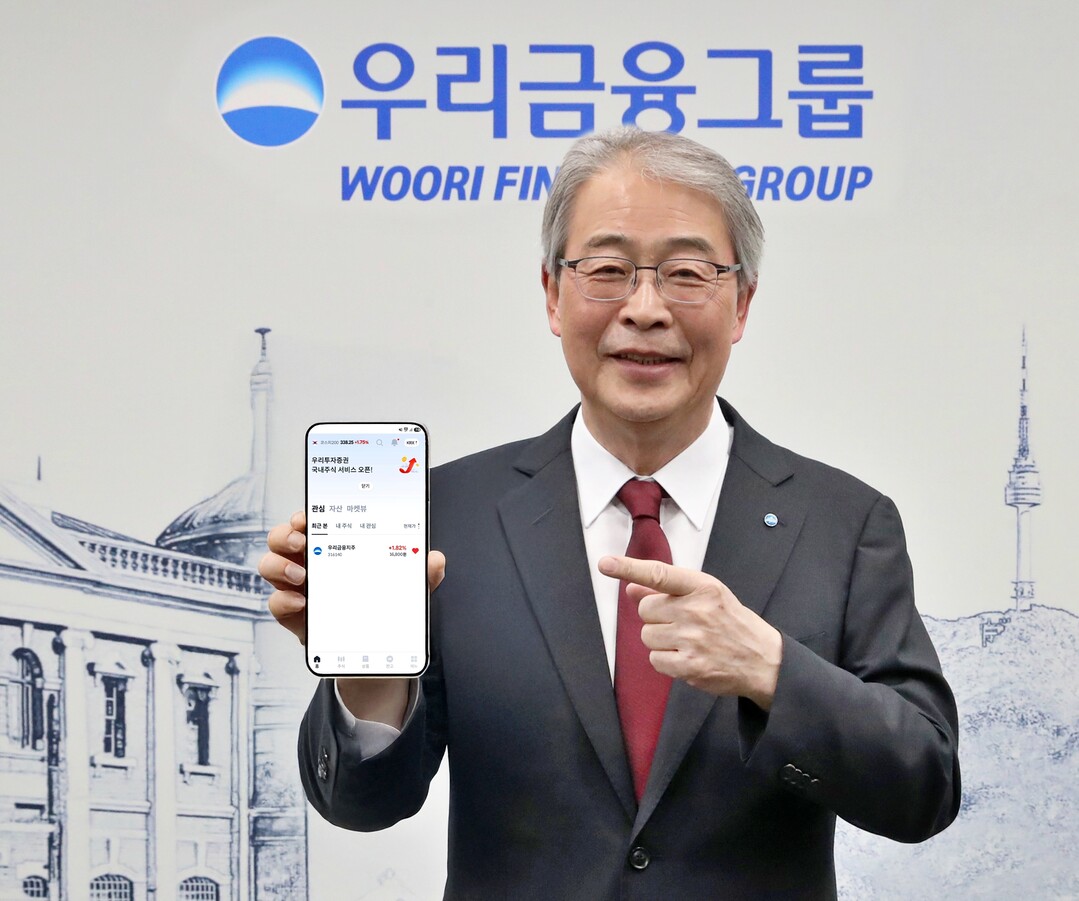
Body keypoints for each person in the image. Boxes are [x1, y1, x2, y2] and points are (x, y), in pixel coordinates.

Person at [260, 127, 960, 900]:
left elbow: (923, 788)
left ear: (741, 303)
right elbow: (359, 804)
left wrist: (768, 668)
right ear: (551, 295)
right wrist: (370, 674)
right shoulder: (447, 515)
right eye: (606, 271)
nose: (645, 309)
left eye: (686, 273)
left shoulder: (843, 523)